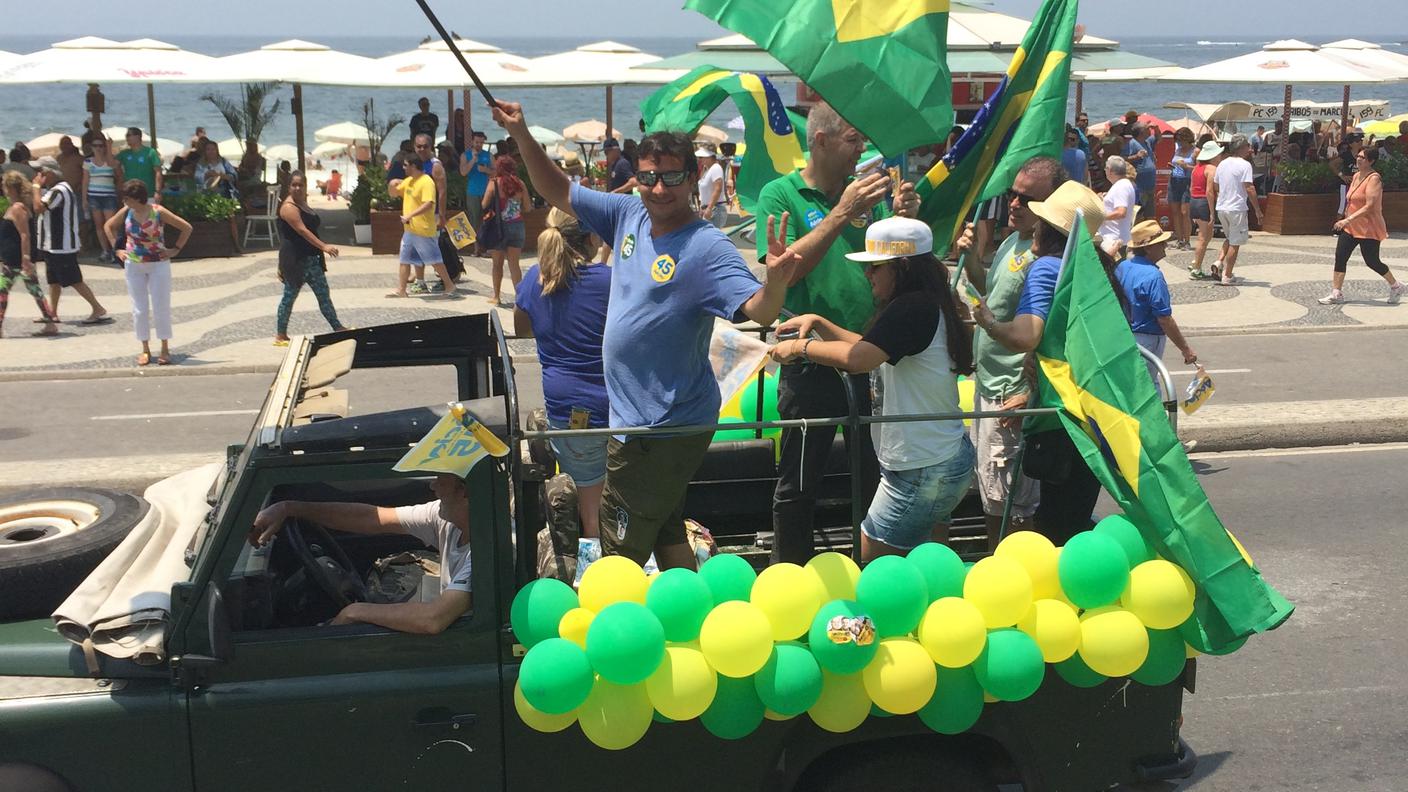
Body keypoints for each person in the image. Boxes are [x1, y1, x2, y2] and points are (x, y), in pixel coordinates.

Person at [490, 98, 798, 570]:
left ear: (693, 179)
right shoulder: (627, 214)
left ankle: (616, 634)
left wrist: (774, 283)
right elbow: (556, 189)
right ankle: (689, 617)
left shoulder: (706, 246)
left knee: (619, 548)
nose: (658, 189)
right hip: (635, 418)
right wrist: (522, 134)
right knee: (667, 531)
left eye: (672, 178)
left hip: (663, 424)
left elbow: (757, 310)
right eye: (650, 176)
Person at [752, 100, 918, 564]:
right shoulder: (780, 195)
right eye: (852, 139)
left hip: (869, 354)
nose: (861, 148)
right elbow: (786, 274)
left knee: (875, 477)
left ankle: (871, 572)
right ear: (820, 141)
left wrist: (906, 218)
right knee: (798, 483)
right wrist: (841, 214)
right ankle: (792, 576)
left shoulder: (868, 198)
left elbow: (900, 265)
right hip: (808, 360)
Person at [770, 218, 974, 559]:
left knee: (876, 565)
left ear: (903, 266)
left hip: (921, 468)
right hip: (939, 458)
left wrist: (799, 349)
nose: (868, 276)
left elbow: (859, 358)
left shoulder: (911, 308)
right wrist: (819, 323)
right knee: (928, 567)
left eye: (874, 267)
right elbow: (872, 347)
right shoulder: (925, 303)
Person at [971, 180, 1126, 545]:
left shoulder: (1045, 269)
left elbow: (1028, 335)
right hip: (1095, 415)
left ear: (1049, 229)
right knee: (1072, 519)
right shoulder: (1098, 271)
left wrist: (988, 323)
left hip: (1061, 419)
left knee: (1054, 532)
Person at [956, 156, 1064, 550]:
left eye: (1026, 199)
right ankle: (999, 567)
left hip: (1012, 394)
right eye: (1011, 195)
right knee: (991, 495)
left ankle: (1016, 577)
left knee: (1012, 507)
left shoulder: (1048, 259)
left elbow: (1045, 336)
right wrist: (970, 258)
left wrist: (1030, 393)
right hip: (989, 385)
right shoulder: (1013, 240)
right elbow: (993, 292)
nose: (1013, 205)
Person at [248, 473, 473, 634]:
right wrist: (290, 508)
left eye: (441, 480)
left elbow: (433, 620)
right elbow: (371, 518)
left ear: (464, 492)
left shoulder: (487, 552)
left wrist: (355, 611)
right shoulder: (446, 520)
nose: (433, 486)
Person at [514, 209, 612, 538]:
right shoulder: (608, 282)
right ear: (591, 238)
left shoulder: (532, 278)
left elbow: (522, 329)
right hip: (612, 411)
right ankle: (604, 580)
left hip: (564, 412)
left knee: (591, 508)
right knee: (601, 517)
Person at [103, 179, 192, 366]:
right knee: (139, 309)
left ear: (138, 198)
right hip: (134, 263)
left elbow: (186, 227)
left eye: (127, 199)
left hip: (158, 263)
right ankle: (144, 348)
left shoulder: (157, 212)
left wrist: (175, 249)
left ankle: (165, 347)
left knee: (161, 306)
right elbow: (108, 226)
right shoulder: (127, 211)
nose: (125, 202)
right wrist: (117, 249)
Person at [1318, 146, 1406, 305]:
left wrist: (1346, 219)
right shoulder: (1356, 175)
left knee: (1372, 261)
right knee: (1341, 256)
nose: (1358, 159)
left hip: (1368, 226)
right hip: (1351, 227)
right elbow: (1351, 200)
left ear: (1371, 161)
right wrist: (1345, 217)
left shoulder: (1374, 178)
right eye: (1358, 156)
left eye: (1362, 157)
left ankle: (1396, 285)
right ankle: (1336, 293)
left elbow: (1370, 206)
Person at [1117, 220, 1198, 385]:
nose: (1165, 245)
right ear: (1147, 248)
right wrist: (1186, 349)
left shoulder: (1122, 267)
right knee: (1148, 385)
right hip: (1148, 338)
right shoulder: (1153, 276)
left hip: (1124, 336)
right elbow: (1164, 319)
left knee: (1131, 384)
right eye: (1160, 243)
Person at [274, 172, 349, 345]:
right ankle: (280, 335)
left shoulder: (303, 203)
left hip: (312, 258)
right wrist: (324, 246)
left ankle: (337, 327)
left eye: (300, 185)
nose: (297, 188)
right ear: (289, 187)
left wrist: (319, 250)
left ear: (306, 186)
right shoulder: (289, 207)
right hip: (295, 260)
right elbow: (301, 230)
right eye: (294, 185)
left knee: (323, 294)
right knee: (289, 297)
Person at [32, 157, 107, 325]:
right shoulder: (56, 190)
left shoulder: (59, 191)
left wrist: (36, 187)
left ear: (49, 173)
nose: (37, 175)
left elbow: (38, 208)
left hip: (61, 245)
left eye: (41, 172)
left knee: (74, 279)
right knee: (54, 281)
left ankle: (97, 308)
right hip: (52, 245)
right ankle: (52, 313)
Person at [0, 172, 59, 338]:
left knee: (2, 291)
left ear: (10, 188)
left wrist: (26, 258)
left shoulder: (18, 208)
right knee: (34, 290)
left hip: (15, 259)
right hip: (15, 257)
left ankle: (50, 323)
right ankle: (50, 323)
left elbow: (25, 234)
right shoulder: (18, 206)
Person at [387, 162, 456, 299]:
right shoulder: (409, 181)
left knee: (435, 260)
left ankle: (449, 285)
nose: (403, 167)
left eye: (406, 165)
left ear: (413, 166)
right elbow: (393, 194)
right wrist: (392, 184)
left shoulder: (426, 182)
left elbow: (429, 204)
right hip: (410, 230)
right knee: (404, 259)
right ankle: (401, 289)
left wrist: (410, 215)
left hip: (423, 230)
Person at [1208, 134, 1261, 286]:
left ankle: (1219, 262)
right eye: (1248, 147)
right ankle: (1227, 275)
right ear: (1242, 148)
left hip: (1222, 207)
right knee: (1235, 243)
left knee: (1230, 238)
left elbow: (1216, 186)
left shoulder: (1222, 164)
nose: (1250, 149)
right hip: (1236, 207)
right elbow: (1249, 188)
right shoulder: (1245, 165)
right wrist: (1257, 210)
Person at [482, 155, 526, 305]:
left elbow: (483, 205)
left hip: (499, 228)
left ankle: (496, 296)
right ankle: (520, 298)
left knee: (497, 264)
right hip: (517, 225)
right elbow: (528, 207)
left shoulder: (494, 183)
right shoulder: (520, 184)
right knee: (514, 265)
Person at [414, 133, 450, 293]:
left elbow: (442, 191)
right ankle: (420, 281)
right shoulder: (415, 164)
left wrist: (441, 216)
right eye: (418, 146)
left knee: (435, 249)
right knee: (417, 246)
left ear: (431, 147)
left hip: (432, 214)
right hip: (417, 214)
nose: (421, 149)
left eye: (425, 146)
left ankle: (445, 280)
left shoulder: (435, 165)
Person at [82, 136, 123, 264]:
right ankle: (106, 250)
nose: (99, 148)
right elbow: (85, 181)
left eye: (101, 146)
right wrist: (84, 199)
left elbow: (118, 174)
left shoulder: (110, 161)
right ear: (92, 147)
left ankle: (115, 250)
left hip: (109, 195)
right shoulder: (88, 162)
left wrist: (109, 148)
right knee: (99, 225)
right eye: (96, 146)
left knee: (110, 225)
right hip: (94, 195)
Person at [1188, 140, 1222, 280]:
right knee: (1203, 237)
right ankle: (1196, 268)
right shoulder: (1211, 169)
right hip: (1204, 203)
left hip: (1194, 200)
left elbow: (1191, 187)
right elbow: (1209, 191)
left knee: (1206, 236)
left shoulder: (1196, 168)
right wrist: (1212, 212)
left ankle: (1196, 261)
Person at [458, 131, 492, 255]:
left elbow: (495, 172)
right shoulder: (465, 155)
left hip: (487, 191)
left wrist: (485, 169)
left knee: (488, 219)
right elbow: (463, 172)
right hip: (473, 192)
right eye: (477, 142)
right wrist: (473, 160)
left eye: (481, 142)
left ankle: (487, 247)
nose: (479, 145)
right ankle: (476, 248)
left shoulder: (488, 155)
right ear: (472, 142)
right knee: (474, 220)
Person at [1098, 155, 1136, 258]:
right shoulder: (1122, 185)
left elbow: (1121, 212)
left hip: (1114, 240)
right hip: (1116, 239)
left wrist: (1098, 216)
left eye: (1105, 169)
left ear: (1109, 170)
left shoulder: (1121, 187)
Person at [1168, 128, 1196, 250]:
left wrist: (1187, 166)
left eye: (1181, 141)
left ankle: (1187, 240)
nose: (1179, 143)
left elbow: (1199, 168)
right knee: (1175, 212)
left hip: (1187, 182)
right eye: (1178, 141)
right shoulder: (1177, 150)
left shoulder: (1195, 151)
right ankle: (1179, 240)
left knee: (1185, 212)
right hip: (1174, 179)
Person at [116, 128, 163, 202]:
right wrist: (108, 147)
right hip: (129, 194)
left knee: (150, 213)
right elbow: (111, 163)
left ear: (138, 137)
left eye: (129, 135)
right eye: (126, 135)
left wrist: (158, 191)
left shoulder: (150, 152)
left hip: (148, 193)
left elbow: (158, 172)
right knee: (131, 213)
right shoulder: (124, 153)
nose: (126, 138)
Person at [1124, 123, 1157, 222]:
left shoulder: (1147, 142)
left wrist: (1156, 128)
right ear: (1141, 132)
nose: (1149, 130)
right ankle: (1137, 234)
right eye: (1147, 129)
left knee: (1150, 213)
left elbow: (1158, 137)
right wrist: (1136, 156)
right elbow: (1122, 158)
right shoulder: (1132, 143)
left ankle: (1148, 235)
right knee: (1138, 212)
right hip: (1139, 185)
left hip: (1150, 185)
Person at [695, 146, 727, 228]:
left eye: (701, 157)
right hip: (709, 208)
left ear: (709, 157)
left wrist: (709, 208)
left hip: (715, 209)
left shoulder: (715, 168)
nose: (699, 159)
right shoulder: (707, 169)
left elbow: (718, 189)